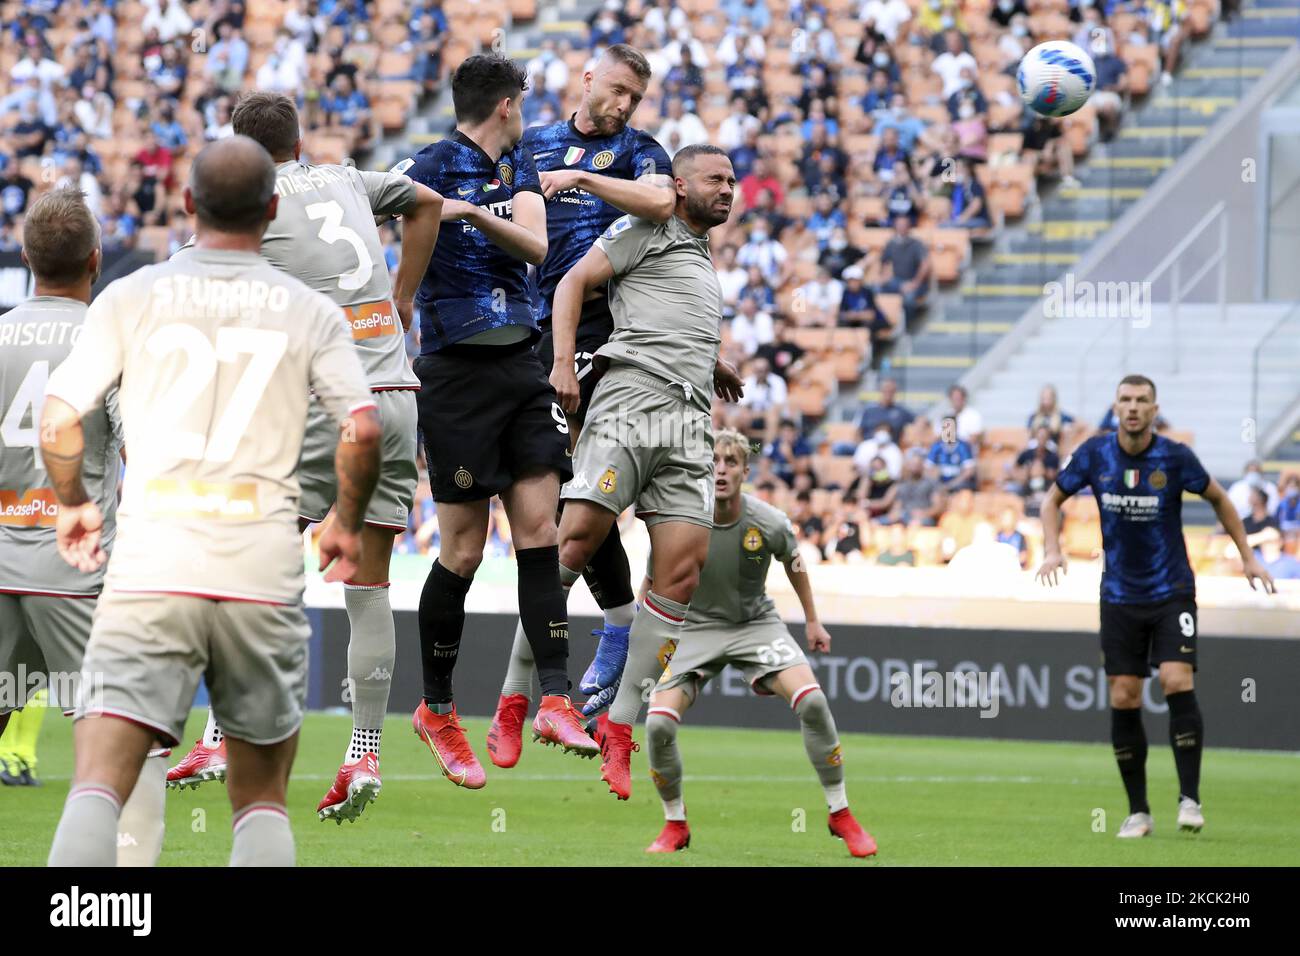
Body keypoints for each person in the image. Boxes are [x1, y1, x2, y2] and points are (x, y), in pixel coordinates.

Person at [43, 137, 383, 867]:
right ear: (270, 209)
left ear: (188, 205)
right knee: (260, 803)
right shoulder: (310, 309)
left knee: (98, 783)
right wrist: (346, 525)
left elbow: (58, 417)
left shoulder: (132, 296)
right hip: (259, 570)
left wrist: (73, 505)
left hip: (151, 566)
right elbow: (362, 425)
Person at [164, 92, 445, 824]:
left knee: (244, 563)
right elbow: (428, 202)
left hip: (323, 406)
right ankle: (364, 749)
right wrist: (402, 296)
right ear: (299, 139)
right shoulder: (348, 178)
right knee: (370, 587)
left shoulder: (252, 205)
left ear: (243, 152)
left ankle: (223, 736)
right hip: (394, 395)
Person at [393, 55, 594, 787]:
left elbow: (537, 245)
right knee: (465, 554)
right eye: (523, 105)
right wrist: (404, 286)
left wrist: (472, 212)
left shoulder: (520, 172)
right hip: (454, 373)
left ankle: (557, 697)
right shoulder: (427, 161)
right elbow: (398, 205)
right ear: (506, 106)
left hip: (521, 366)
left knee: (541, 531)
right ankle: (437, 707)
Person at [490, 44, 676, 768]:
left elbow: (663, 202)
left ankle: (602, 648)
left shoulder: (639, 152)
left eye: (636, 97)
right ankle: (616, 633)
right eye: (619, 92)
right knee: (562, 493)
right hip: (526, 336)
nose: (625, 107)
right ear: (588, 77)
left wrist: (583, 182)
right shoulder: (528, 142)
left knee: (587, 491)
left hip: (602, 336)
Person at [547, 143, 741, 800]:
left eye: (735, 180)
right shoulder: (644, 224)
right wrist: (562, 362)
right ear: (678, 184)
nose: (730, 188)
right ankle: (533, 696)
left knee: (681, 575)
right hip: (631, 400)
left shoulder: (695, 252)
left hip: (686, 418)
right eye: (718, 178)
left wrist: (708, 361)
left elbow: (668, 313)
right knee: (574, 539)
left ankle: (620, 728)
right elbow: (576, 279)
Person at [0, 187, 165, 861]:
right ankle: (119, 899)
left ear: (27, 256)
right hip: (78, 574)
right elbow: (144, 455)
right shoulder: (111, 344)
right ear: (97, 259)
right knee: (128, 736)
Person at [1036, 375, 1275, 840]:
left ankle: (1190, 798)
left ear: (1153, 408)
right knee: (1124, 694)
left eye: (1142, 400)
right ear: (1116, 406)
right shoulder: (1094, 454)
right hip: (1119, 597)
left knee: (1174, 678)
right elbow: (1051, 500)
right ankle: (1138, 812)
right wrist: (1051, 548)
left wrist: (1248, 557)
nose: (1133, 407)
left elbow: (1220, 498)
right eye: (1125, 399)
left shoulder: (1175, 456)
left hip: (1171, 591)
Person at [642, 429, 877, 856]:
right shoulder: (680, 521)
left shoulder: (767, 521)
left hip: (755, 624)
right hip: (695, 629)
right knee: (657, 723)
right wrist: (643, 638)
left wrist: (812, 621)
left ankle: (839, 812)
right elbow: (652, 581)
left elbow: (796, 562)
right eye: (714, 461)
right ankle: (675, 823)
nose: (722, 470)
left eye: (731, 462)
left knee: (813, 701)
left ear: (745, 471)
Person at [927, 416, 977, 492]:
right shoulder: (936, 446)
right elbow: (928, 469)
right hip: (940, 483)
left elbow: (969, 471)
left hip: (958, 483)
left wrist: (950, 485)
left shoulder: (963, 446)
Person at [858, 377, 913, 441]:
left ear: (895, 392)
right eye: (886, 389)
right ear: (881, 390)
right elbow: (858, 431)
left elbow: (918, 419)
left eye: (891, 390)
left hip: (890, 447)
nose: (888, 393)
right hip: (869, 445)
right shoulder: (868, 410)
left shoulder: (901, 412)